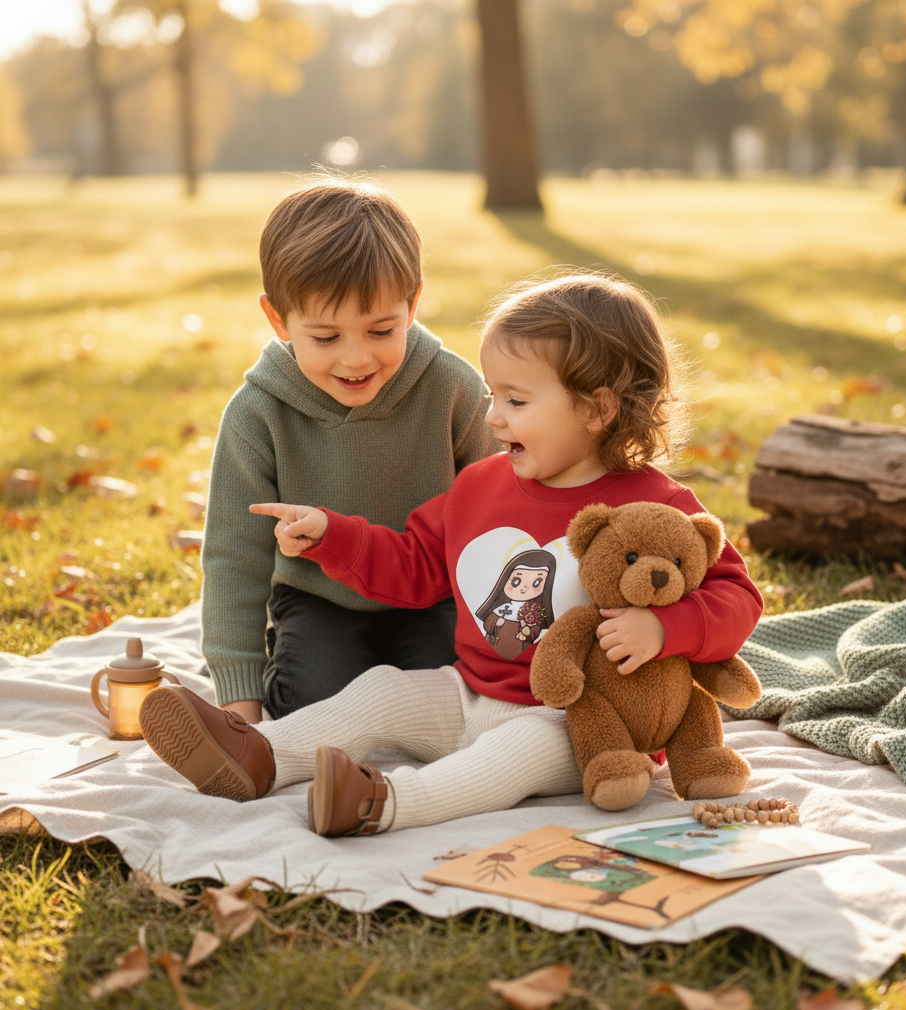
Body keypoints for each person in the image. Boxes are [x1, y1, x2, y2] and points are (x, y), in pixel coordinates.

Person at [141, 272, 763, 836]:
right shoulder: (480, 487)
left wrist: (664, 626)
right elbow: (414, 565)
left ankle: (383, 803)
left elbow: (737, 596)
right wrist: (336, 535)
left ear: (598, 408)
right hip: (468, 692)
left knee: (508, 757)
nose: (493, 418)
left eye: (516, 402)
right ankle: (260, 754)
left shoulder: (657, 506)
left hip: (577, 722)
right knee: (381, 692)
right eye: (494, 397)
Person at [200, 177, 497, 724]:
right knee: (314, 705)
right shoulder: (256, 414)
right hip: (321, 600)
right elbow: (232, 558)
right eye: (326, 338)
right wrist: (238, 700)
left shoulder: (453, 389)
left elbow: (504, 509)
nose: (356, 359)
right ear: (278, 319)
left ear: (412, 305)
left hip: (432, 594)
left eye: (381, 329)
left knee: (454, 699)